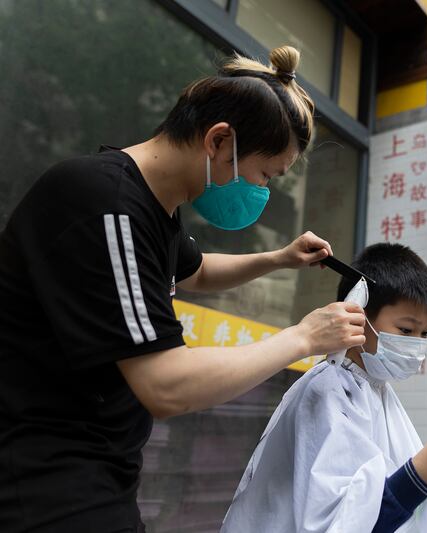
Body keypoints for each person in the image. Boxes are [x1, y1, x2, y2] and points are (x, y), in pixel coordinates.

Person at [0, 46, 367, 533]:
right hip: (42, 476)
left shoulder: (156, 209)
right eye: (265, 175)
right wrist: (303, 338)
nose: (262, 191)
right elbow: (165, 385)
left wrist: (278, 258)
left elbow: (194, 272)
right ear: (219, 141)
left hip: (97, 469)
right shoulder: (107, 205)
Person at [221, 243, 427, 532]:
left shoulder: (376, 391)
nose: (417, 343)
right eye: (406, 330)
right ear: (357, 315)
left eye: (425, 332)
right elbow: (347, 524)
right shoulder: (329, 392)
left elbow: (410, 508)